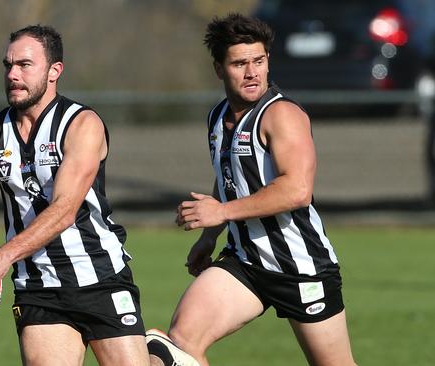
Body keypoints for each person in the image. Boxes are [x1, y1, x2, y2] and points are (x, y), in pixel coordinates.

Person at [146, 13, 357, 366]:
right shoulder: (217, 117)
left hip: (301, 266)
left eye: (258, 61)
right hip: (245, 262)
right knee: (177, 343)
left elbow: (297, 190)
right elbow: (229, 177)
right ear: (219, 69)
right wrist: (210, 236)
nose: (252, 72)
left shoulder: (282, 115)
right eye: (240, 63)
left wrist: (222, 213)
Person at [0, 25, 150, 365]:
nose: (13, 75)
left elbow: (65, 209)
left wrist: (0, 258)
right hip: (37, 285)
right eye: (8, 66)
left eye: (24, 65)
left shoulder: (81, 124)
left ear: (54, 71)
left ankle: (161, 356)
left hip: (98, 274)